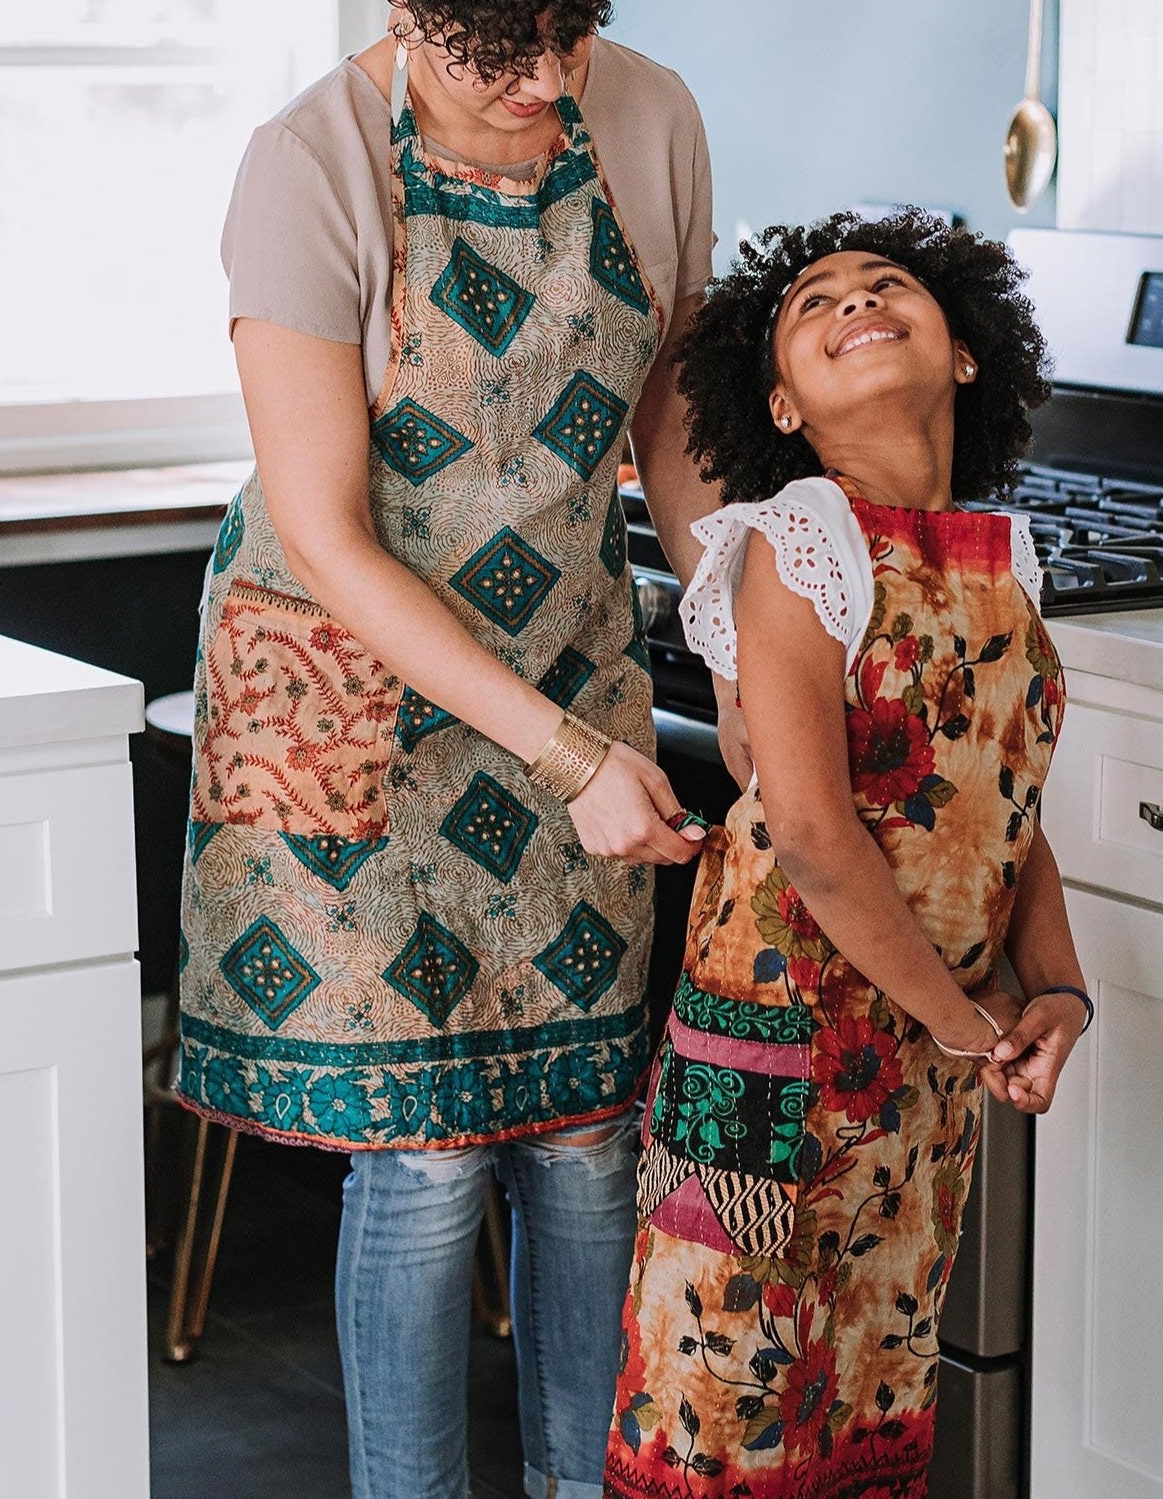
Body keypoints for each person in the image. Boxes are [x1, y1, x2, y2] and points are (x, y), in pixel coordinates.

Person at [175, 5, 746, 1496]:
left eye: (572, 32)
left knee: (584, 1137)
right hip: (354, 690)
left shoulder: (653, 115)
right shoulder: (308, 165)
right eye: (502, 51)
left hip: (568, 652)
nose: (551, 82)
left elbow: (675, 405)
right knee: (424, 1162)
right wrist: (569, 760)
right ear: (408, 9)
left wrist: (732, 642)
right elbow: (329, 535)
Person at [603, 210, 1092, 1499]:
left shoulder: (1007, 555)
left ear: (967, 355)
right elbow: (814, 836)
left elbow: (1009, 803)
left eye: (889, 286)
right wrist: (970, 1027)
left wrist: (1056, 989)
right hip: (790, 1033)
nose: (857, 301)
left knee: (871, 1390)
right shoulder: (802, 532)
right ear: (779, 401)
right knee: (725, 1404)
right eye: (813, 304)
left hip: (920, 1055)